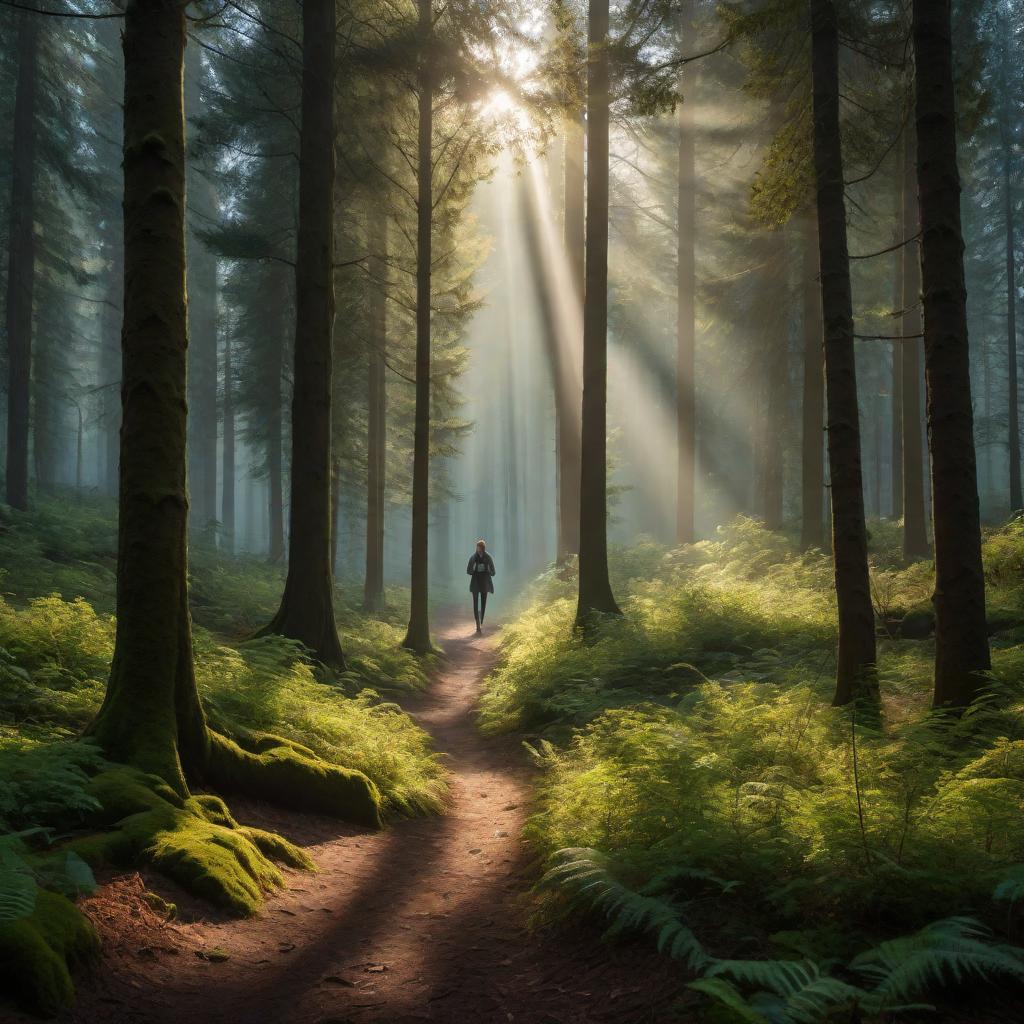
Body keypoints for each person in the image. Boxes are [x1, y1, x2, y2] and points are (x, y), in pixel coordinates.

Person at [466, 539, 496, 634]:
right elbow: (468, 571)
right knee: (475, 605)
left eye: (480, 548)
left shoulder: (488, 557)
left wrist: (487, 570)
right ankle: (477, 626)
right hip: (475, 584)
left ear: (483, 548)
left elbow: (493, 572)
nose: (478, 549)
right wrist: (473, 569)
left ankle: (481, 621)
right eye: (477, 547)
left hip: (485, 584)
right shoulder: (473, 557)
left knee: (483, 605)